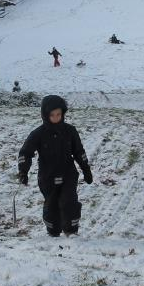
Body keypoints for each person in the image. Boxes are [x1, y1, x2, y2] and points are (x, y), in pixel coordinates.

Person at [18, 94, 93, 237]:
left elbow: (79, 152)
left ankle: (71, 231)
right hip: (47, 176)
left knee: (68, 201)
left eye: (59, 114)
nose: (56, 117)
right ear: (45, 115)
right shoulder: (38, 134)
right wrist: (23, 172)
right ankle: (53, 231)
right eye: (52, 115)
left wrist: (86, 170)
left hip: (68, 173)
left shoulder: (70, 131)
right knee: (51, 205)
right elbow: (25, 153)